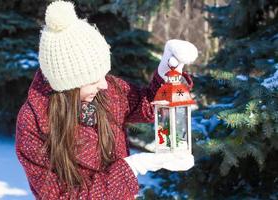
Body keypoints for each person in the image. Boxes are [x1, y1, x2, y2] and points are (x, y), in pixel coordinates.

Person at [15, 1, 198, 199]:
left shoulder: (107, 91)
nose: (104, 84)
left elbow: (146, 105)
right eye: (94, 79)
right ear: (69, 85)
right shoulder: (32, 123)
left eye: (104, 74)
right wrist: (131, 167)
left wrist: (166, 73)